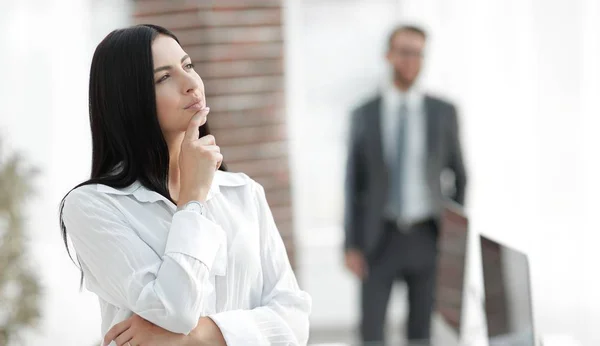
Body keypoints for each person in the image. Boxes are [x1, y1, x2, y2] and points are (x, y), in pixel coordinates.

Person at [59, 24, 311, 346]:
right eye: (164, 77)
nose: (191, 83)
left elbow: (294, 320)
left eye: (188, 65)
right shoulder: (93, 206)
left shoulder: (244, 193)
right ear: (128, 99)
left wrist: (201, 334)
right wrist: (192, 199)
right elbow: (175, 309)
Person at [343, 25, 467, 345]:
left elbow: (460, 176)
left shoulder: (443, 112)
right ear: (389, 55)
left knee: (421, 332)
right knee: (371, 331)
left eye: (418, 53)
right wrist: (351, 245)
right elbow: (352, 184)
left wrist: (453, 235)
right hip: (378, 237)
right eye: (405, 52)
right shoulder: (364, 114)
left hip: (427, 236)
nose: (412, 60)